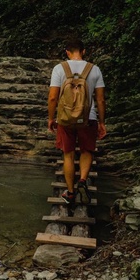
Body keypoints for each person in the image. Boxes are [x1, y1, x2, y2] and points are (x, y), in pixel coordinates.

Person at [47, 39, 107, 204]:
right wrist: (102, 123)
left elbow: (53, 97)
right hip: (89, 117)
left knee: (68, 154)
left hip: (65, 119)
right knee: (87, 151)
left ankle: (71, 193)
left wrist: (52, 118)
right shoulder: (94, 70)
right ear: (84, 51)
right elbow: (101, 100)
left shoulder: (59, 69)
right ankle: (82, 180)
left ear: (67, 52)